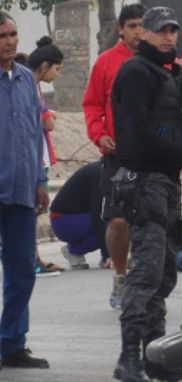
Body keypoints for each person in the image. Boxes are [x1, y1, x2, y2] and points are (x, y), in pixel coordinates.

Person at [109, 5, 182, 382]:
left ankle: (154, 357)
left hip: (164, 184)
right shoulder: (136, 72)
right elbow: (138, 135)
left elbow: (174, 124)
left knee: (165, 273)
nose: (168, 36)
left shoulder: (166, 73)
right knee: (146, 272)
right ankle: (129, 357)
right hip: (143, 183)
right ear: (143, 34)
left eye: (173, 30)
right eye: (161, 30)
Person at [83, 3, 147, 308]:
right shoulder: (105, 63)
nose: (138, 32)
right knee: (119, 222)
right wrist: (99, 134)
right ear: (121, 29)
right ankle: (121, 276)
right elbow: (92, 105)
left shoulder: (165, 62)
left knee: (154, 222)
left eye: (143, 25)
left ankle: (147, 281)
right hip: (117, 156)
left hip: (155, 157)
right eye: (132, 25)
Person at [0, 11, 51, 369]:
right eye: (2, 36)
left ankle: (12, 343)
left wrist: (40, 181)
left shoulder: (24, 80)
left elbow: (35, 135)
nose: (10, 41)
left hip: (21, 192)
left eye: (13, 34)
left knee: (21, 272)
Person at [27, 35, 65, 277]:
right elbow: (47, 123)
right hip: (34, 158)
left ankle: (34, 258)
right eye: (57, 69)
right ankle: (32, 260)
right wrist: (51, 115)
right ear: (45, 66)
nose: (57, 74)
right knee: (31, 211)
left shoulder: (32, 86)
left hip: (35, 156)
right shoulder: (31, 87)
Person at [49, 161, 109, 270]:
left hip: (80, 217)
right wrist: (108, 256)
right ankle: (73, 250)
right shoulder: (102, 172)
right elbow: (99, 216)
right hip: (63, 220)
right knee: (115, 224)